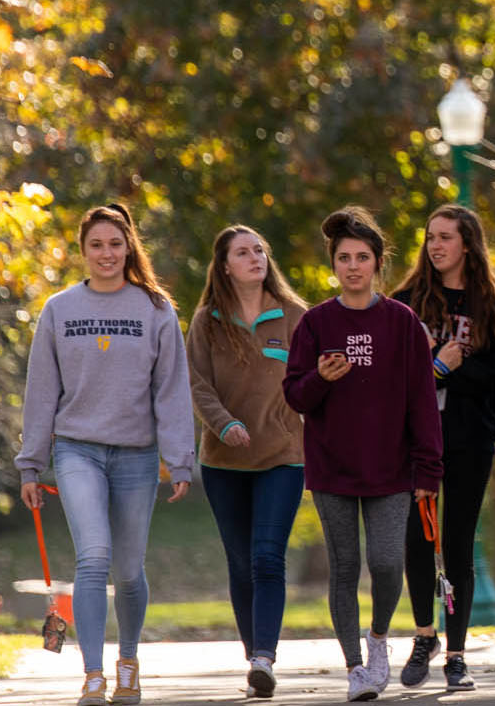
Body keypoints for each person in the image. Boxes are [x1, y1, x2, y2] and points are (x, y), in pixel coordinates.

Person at [16, 203, 196, 706]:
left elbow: (171, 390)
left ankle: (128, 662)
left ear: (129, 247)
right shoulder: (59, 309)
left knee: (129, 571)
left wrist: (181, 457)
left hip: (137, 456)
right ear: (83, 251)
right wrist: (31, 462)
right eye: (96, 245)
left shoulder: (155, 309)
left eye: (115, 244)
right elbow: (42, 391)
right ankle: (93, 674)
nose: (106, 253)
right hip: (78, 451)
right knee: (93, 558)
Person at [283, 206, 443, 702]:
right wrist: (320, 379)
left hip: (392, 468)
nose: (353, 266)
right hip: (332, 467)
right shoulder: (314, 324)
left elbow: (422, 401)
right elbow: (294, 395)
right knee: (345, 567)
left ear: (378, 263)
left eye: (363, 257)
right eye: (345, 257)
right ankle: (355, 668)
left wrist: (428, 469)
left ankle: (378, 641)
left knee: (388, 563)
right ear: (334, 264)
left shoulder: (402, 323)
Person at [186, 225, 308, 700]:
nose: (255, 257)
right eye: (243, 252)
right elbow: (197, 385)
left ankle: (265, 658)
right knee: (240, 562)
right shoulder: (207, 321)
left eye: (260, 248)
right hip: (223, 462)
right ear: (224, 266)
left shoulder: (295, 316)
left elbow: (310, 382)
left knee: (266, 557)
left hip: (283, 456)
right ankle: (253, 653)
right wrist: (224, 424)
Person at [391, 204, 495, 691]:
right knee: (418, 540)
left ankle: (456, 655)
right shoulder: (405, 301)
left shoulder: (494, 306)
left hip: (470, 439)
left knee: (458, 544)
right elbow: (394, 376)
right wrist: (437, 366)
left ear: (468, 245)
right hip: (416, 441)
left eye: (446, 238)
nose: (436, 246)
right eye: (430, 237)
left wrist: (457, 369)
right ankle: (424, 637)